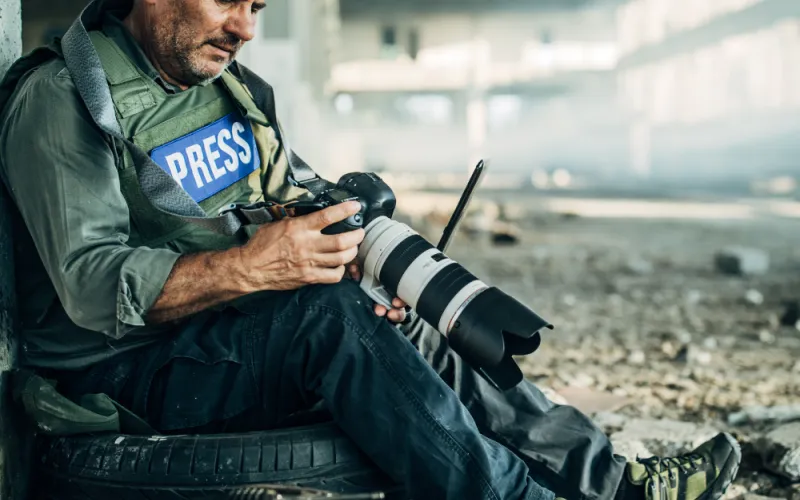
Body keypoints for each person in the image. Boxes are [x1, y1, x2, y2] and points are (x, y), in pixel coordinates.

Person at [0, 0, 741, 499]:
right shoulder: (64, 100)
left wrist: (348, 239)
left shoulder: (229, 89)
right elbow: (92, 288)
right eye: (229, 0)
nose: (246, 28)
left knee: (413, 320)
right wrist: (257, 267)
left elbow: (287, 190)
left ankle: (614, 484)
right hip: (117, 375)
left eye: (259, 7)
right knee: (332, 321)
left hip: (224, 332)